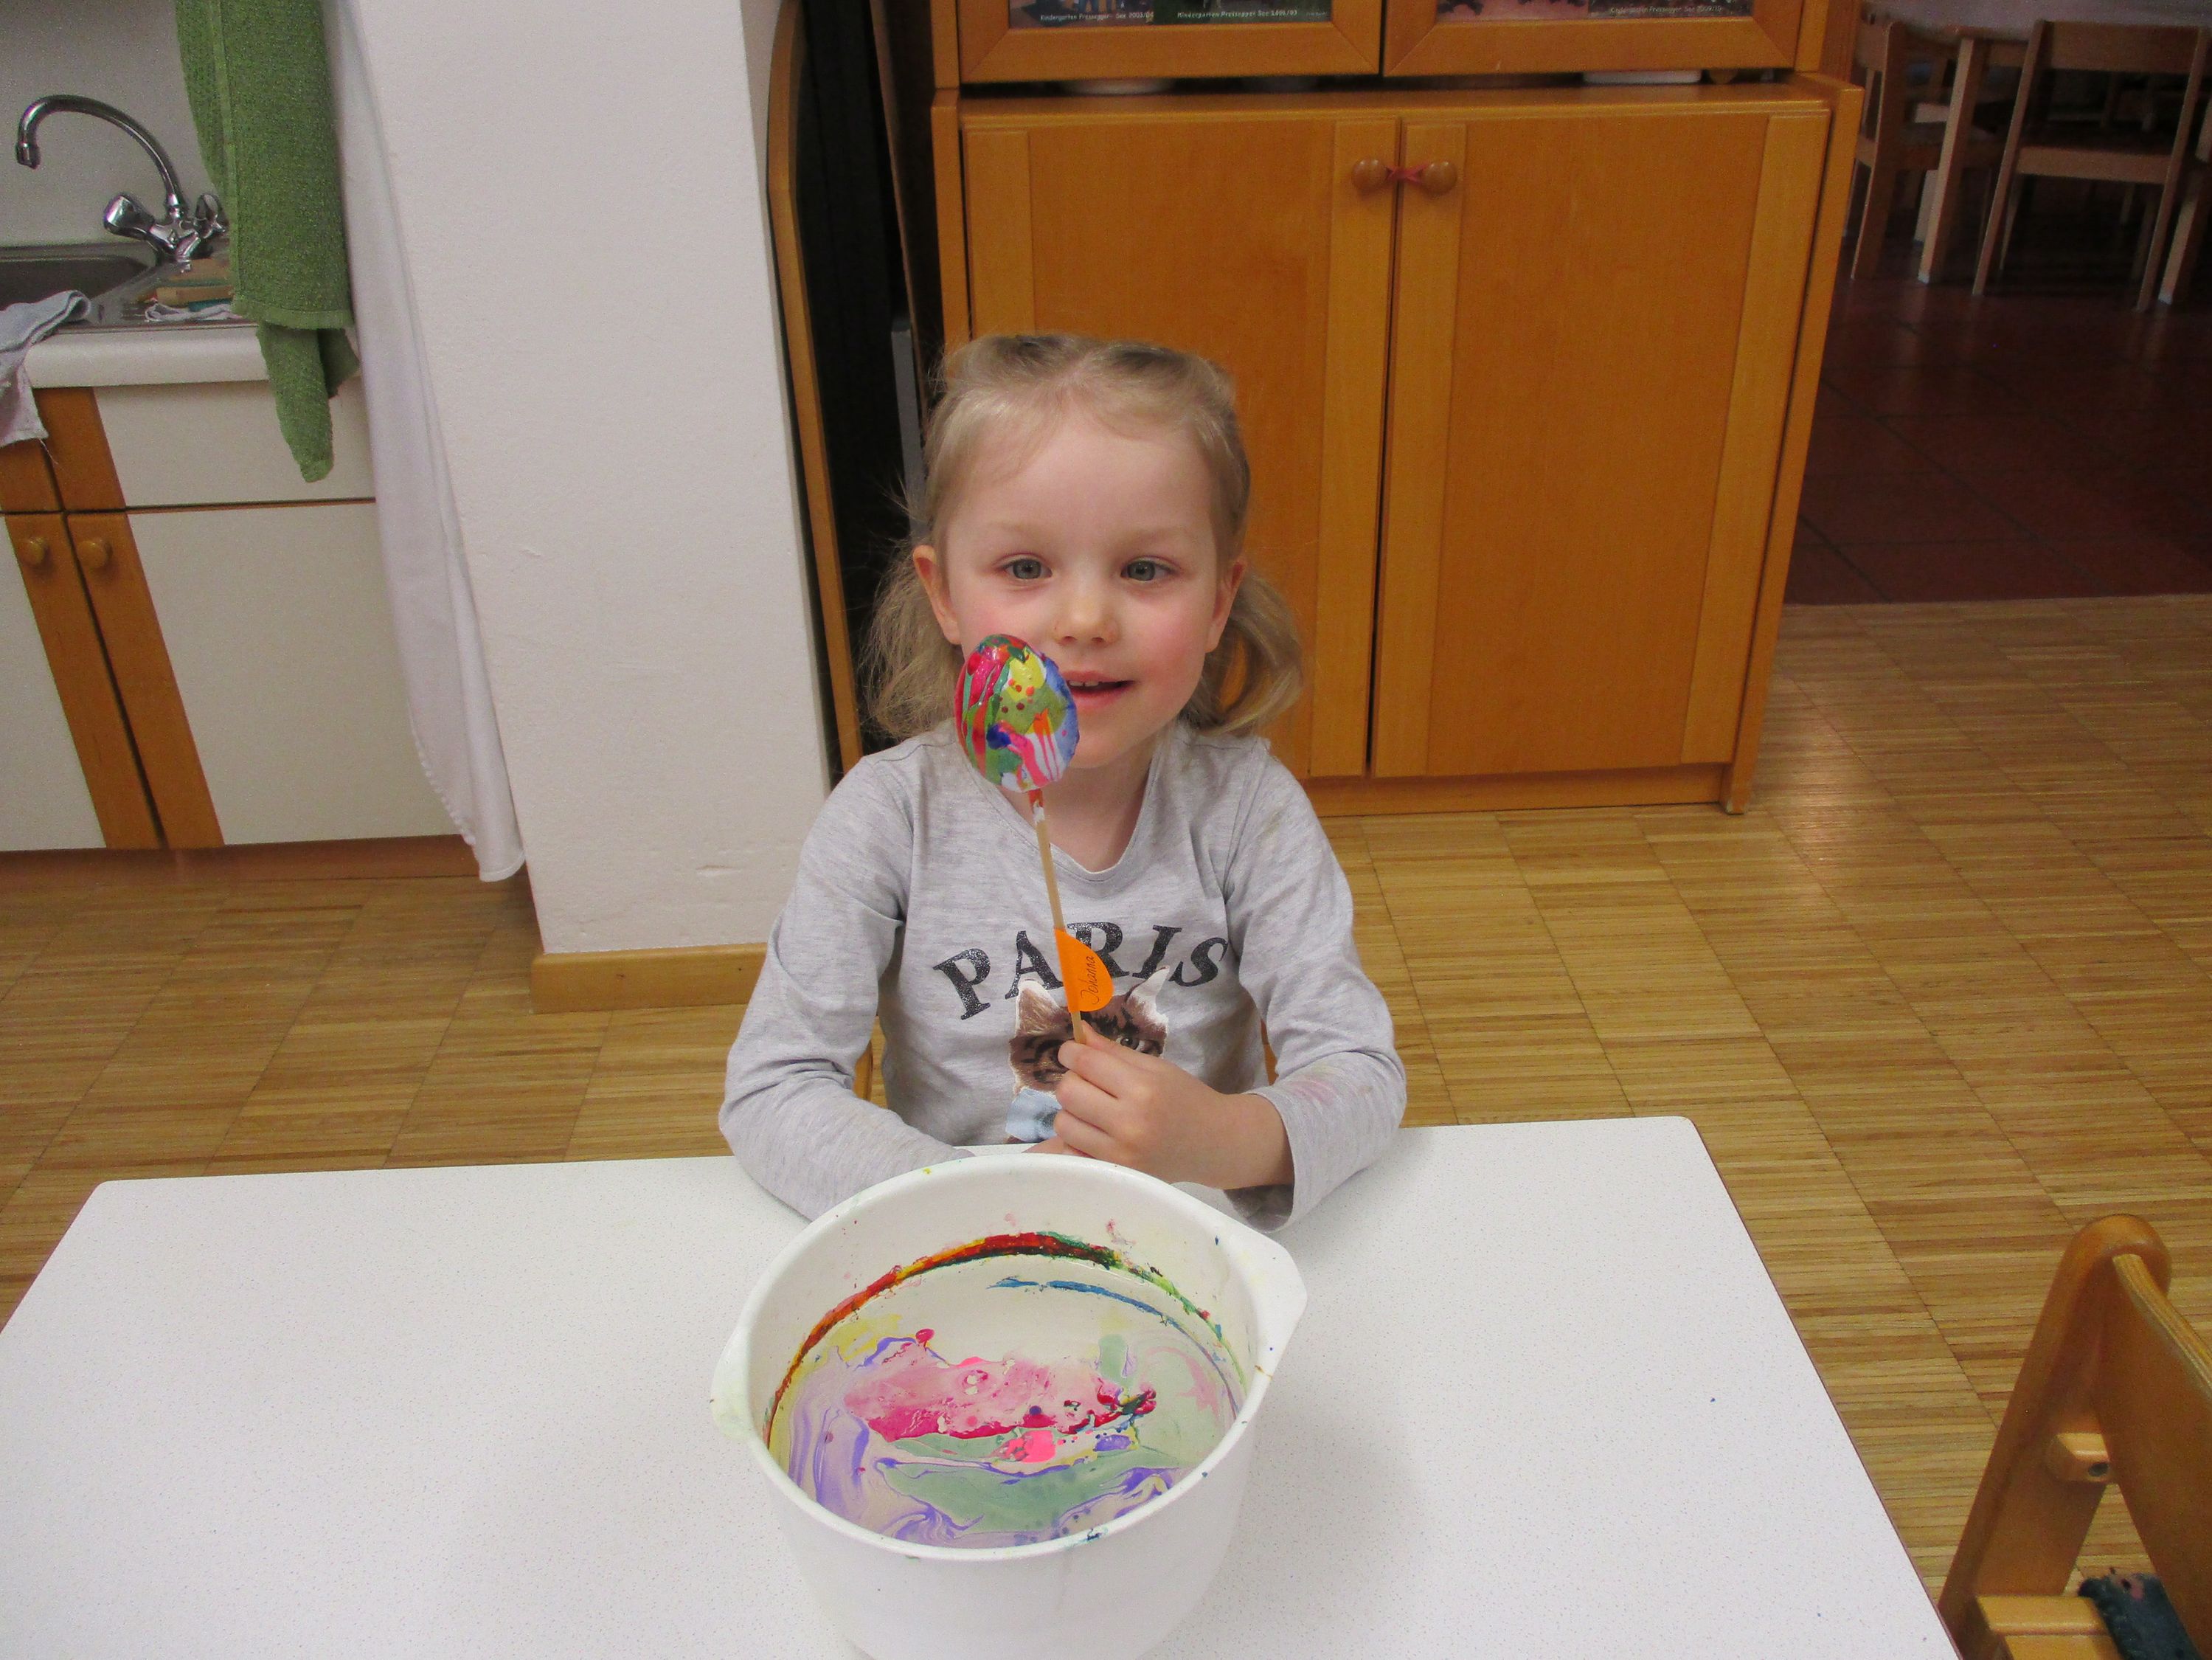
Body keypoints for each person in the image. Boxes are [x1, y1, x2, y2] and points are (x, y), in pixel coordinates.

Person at [721, 333, 1404, 1227]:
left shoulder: (1247, 813)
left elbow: (1361, 1076)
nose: (1083, 619)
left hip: (1185, 1237)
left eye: (1144, 570)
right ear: (944, 594)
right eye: (1025, 568)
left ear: (1218, 601)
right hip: (961, 1242)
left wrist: (1224, 1137)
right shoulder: (887, 818)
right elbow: (774, 1088)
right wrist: (974, 1201)